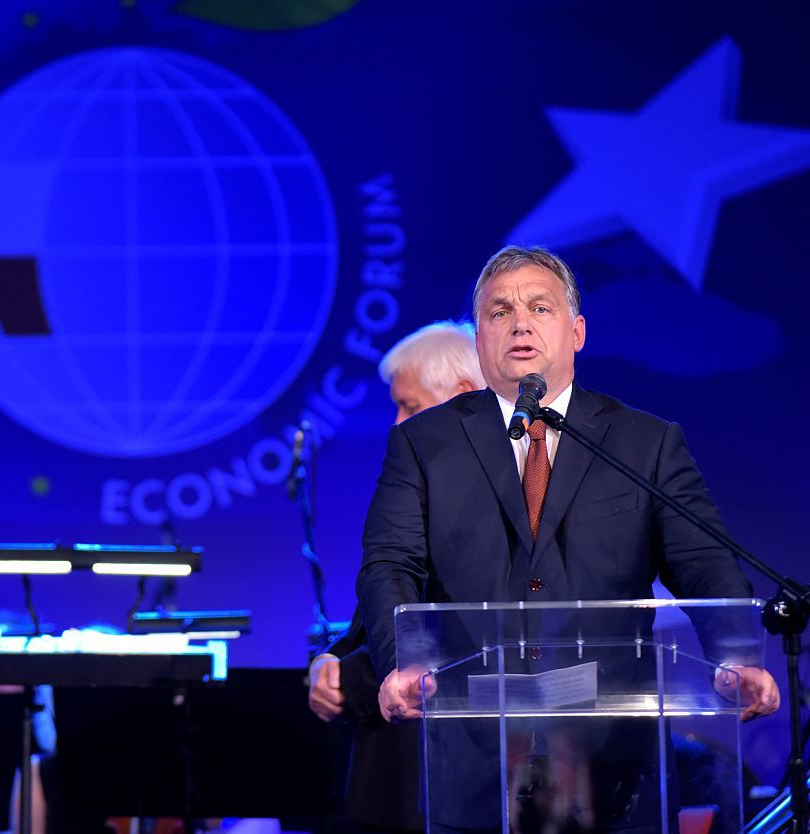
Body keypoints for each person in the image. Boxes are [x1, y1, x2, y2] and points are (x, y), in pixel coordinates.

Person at [356, 246, 779, 831]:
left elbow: (702, 559)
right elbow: (389, 565)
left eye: (540, 307)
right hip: (477, 756)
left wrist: (735, 655)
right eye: (500, 311)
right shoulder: (424, 444)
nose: (521, 322)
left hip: (614, 758)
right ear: (480, 341)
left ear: (576, 331)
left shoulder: (643, 443)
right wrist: (404, 663)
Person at [308, 321, 484, 834]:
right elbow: (377, 618)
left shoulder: (503, 501)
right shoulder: (408, 494)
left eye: (409, 405)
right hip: (384, 781)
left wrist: (351, 679)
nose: (396, 423)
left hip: (447, 785)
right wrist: (328, 660)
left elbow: (460, 632)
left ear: (465, 397)